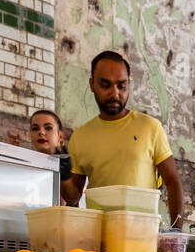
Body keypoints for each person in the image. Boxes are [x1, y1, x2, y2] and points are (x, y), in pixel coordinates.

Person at [62, 51, 184, 227]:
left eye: (122, 86)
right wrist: (64, 175)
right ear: (92, 84)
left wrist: (176, 233)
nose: (115, 93)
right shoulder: (80, 137)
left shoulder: (150, 127)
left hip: (143, 236)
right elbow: (73, 196)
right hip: (99, 239)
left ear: (129, 85)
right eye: (106, 85)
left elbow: (172, 181)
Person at [28, 109, 74, 196]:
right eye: (35, 128)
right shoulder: (23, 166)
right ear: (30, 134)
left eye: (48, 128)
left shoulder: (73, 167)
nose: (41, 132)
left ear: (60, 136)